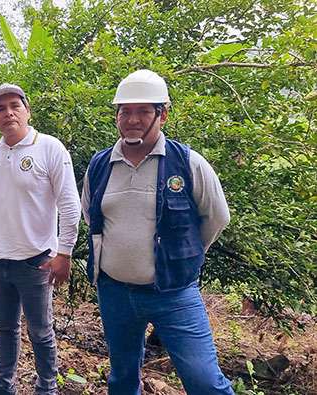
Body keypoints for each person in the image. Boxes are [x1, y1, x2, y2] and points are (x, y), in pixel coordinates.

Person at [81, 69, 234, 394]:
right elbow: (91, 216)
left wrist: (180, 254)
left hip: (174, 293)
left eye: (143, 111)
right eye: (125, 111)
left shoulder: (189, 164)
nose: (132, 119)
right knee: (122, 378)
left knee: (205, 382)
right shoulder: (99, 166)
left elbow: (216, 218)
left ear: (162, 114)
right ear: (117, 115)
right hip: (115, 293)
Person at [0, 84, 81, 395]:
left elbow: (69, 204)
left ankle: (46, 388)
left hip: (36, 260)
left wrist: (65, 253)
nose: (8, 112)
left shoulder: (49, 148)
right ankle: (4, 384)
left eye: (14, 106)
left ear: (27, 111)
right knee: (6, 328)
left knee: (41, 331)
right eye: (0, 108)